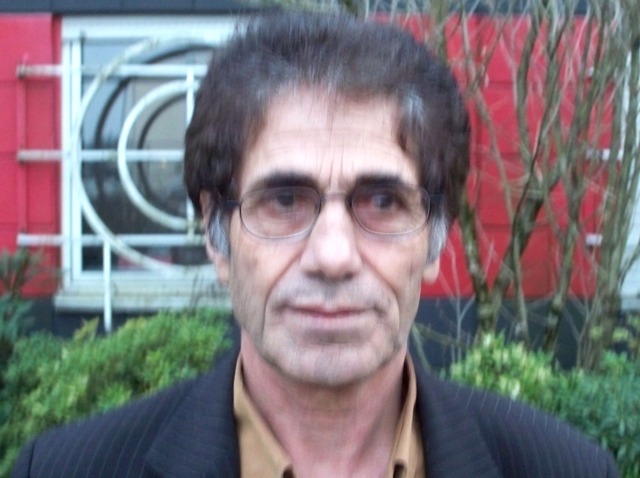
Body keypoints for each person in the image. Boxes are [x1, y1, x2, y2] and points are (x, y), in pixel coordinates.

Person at [13, 11, 618, 478]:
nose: (333, 257)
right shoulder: (65, 469)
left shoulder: (568, 469)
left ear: (435, 240)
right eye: (284, 201)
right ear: (217, 236)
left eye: (382, 202)